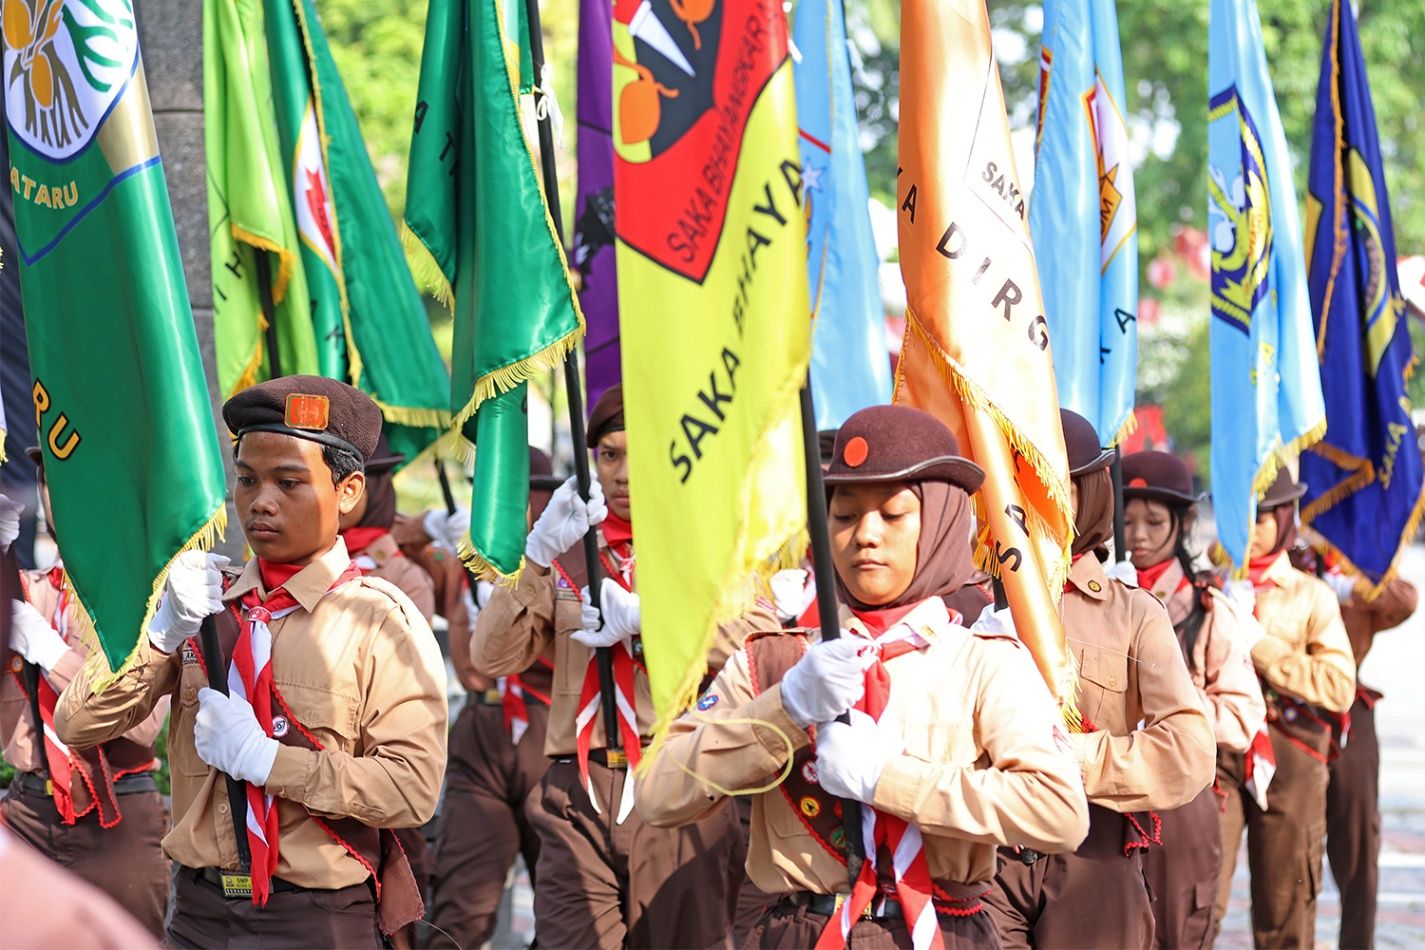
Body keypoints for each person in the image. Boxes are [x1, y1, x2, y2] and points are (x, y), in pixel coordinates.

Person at [639, 404, 1091, 948]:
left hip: (940, 930)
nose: (865, 536)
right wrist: (785, 708)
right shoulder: (775, 663)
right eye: (845, 515)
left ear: (942, 524)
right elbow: (659, 795)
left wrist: (888, 779)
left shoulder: (985, 661)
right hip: (799, 929)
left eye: (893, 514)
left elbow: (1059, 812)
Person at [55, 376, 448, 947]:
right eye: (246, 479)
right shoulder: (202, 605)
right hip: (199, 911)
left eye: (289, 482)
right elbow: (78, 723)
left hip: (314, 917)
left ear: (348, 490)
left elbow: (412, 790)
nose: (260, 501)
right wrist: (162, 633)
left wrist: (269, 762)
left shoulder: (380, 620)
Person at [471, 384, 776, 948]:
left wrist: (653, 619)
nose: (624, 473)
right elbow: (491, 655)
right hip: (579, 789)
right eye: (610, 455)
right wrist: (535, 556)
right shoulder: (569, 549)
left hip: (682, 782)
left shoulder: (714, 551)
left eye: (644, 455)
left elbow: (761, 644)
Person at [985, 411, 1215, 949]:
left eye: (1052, 484)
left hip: (1091, 856)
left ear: (1086, 493)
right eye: (1018, 482)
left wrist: (1079, 757)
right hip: (988, 858)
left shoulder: (1133, 614)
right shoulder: (969, 599)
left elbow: (1189, 751)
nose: (1032, 501)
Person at [1, 451, 171, 937]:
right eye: (52, 484)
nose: (63, 498)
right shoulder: (26, 591)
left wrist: (51, 654)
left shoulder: (142, 598)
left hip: (117, 815)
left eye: (77, 482)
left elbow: (143, 724)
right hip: (29, 809)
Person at [1120, 450, 1267, 949]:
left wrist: (1177, 710)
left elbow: (1244, 715)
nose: (1137, 534)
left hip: (1185, 803)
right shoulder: (1103, 602)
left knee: (1180, 932)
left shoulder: (1208, 610)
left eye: (1153, 521)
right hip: (1110, 797)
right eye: (1127, 520)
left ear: (1181, 523)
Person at [1210, 469, 1355, 948]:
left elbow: (1338, 687)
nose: (1248, 528)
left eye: (1260, 517)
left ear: (1282, 517)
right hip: (1217, 752)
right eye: (1239, 514)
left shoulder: (1308, 594)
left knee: (1285, 908)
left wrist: (1261, 645)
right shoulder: (1204, 585)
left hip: (1291, 753)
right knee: (1198, 899)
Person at [424, 448, 562, 949]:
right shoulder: (472, 554)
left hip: (548, 733)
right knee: (459, 903)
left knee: (563, 909)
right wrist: (436, 522)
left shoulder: (560, 559)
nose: (493, 505)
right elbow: (404, 538)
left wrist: (521, 585)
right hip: (482, 730)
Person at [1296, 538, 1416, 950]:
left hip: (1348, 703)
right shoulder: (1286, 558)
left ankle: (1357, 943)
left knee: (1359, 838)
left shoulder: (1353, 561)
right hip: (1286, 708)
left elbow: (1402, 601)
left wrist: (1351, 585)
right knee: (1292, 845)